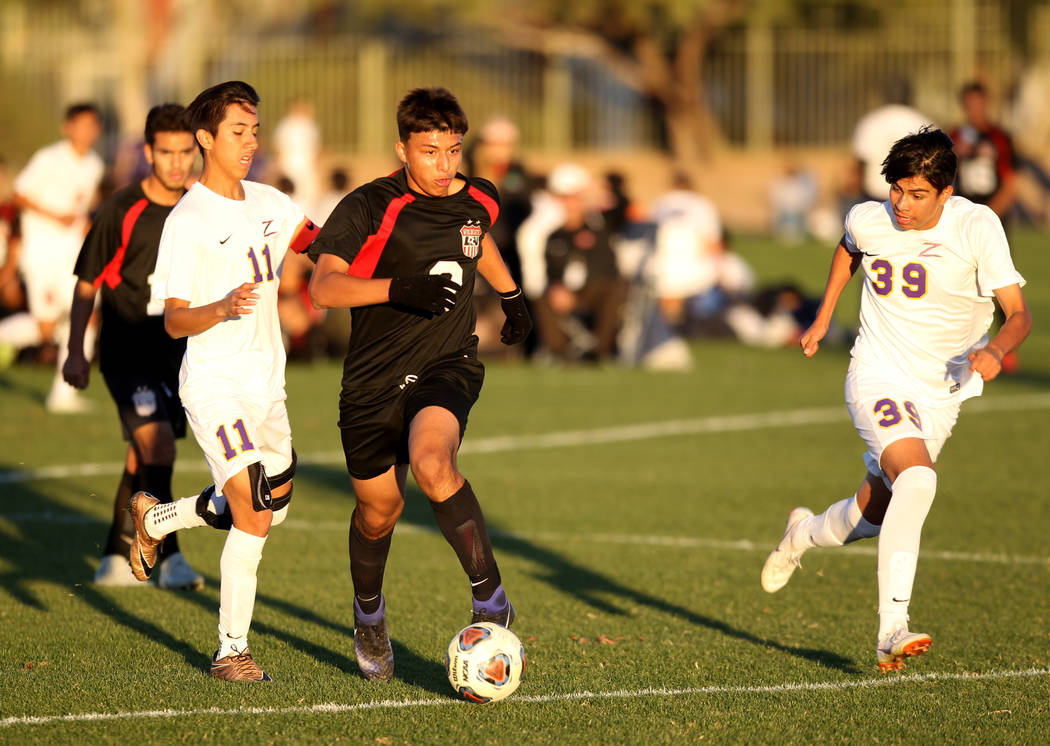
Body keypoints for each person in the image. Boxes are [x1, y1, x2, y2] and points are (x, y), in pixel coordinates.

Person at [760, 127, 1031, 673]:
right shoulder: (869, 216)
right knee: (919, 479)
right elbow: (849, 249)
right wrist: (823, 314)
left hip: (942, 392)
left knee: (876, 514)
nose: (902, 206)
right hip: (877, 375)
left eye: (917, 195)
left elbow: (1018, 314)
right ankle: (892, 629)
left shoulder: (977, 227)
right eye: (897, 192)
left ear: (947, 193)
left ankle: (801, 533)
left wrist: (998, 350)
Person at [307, 87, 532, 682]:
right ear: (401, 148)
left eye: (453, 151)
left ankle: (490, 598)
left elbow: (475, 241)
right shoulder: (367, 206)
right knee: (379, 512)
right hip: (372, 381)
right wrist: (397, 288)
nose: (443, 166)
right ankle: (369, 614)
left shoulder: (480, 195)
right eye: (429, 152)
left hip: (446, 361)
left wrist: (511, 297)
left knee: (434, 461)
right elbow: (324, 289)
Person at [129, 81, 319, 682]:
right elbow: (175, 316)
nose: (250, 142)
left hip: (269, 383)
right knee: (254, 512)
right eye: (238, 132)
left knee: (273, 506)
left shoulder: (270, 201)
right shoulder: (187, 218)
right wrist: (222, 306)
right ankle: (230, 651)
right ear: (205, 138)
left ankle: (157, 520)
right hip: (214, 383)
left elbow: (321, 243)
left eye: (255, 131)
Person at [63, 104, 204, 589]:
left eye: (186, 151)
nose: (177, 162)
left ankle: (113, 559)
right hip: (126, 349)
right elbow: (86, 286)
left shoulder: (199, 209)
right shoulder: (120, 211)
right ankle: (170, 559)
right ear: (148, 152)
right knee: (157, 444)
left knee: (142, 458)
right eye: (166, 152)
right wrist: (75, 351)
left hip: (175, 353)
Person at [0, 103, 104, 411]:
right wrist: (53, 215)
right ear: (67, 127)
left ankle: (64, 394)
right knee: (45, 327)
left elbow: (81, 209)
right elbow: (18, 193)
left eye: (92, 125)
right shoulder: (49, 158)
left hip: (71, 255)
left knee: (87, 316)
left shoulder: (94, 164)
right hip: (42, 254)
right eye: (81, 124)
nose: (87, 131)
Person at [532, 163, 627, 363]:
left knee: (616, 289)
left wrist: (596, 191)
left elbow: (620, 206)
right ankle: (560, 352)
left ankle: (602, 351)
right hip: (569, 292)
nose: (571, 204)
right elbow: (551, 270)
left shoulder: (600, 224)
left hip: (597, 288)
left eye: (575, 198)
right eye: (566, 199)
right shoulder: (554, 235)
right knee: (541, 297)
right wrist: (557, 288)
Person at [948, 81, 1018, 222]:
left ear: (985, 104)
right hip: (964, 214)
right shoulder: (954, 137)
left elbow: (1010, 183)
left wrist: (989, 214)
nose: (974, 111)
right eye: (970, 106)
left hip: (993, 214)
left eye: (978, 105)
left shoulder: (999, 138)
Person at [852, 78, 931, 203]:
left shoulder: (871, 121)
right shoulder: (923, 122)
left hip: (875, 192)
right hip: (912, 195)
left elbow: (861, 161)